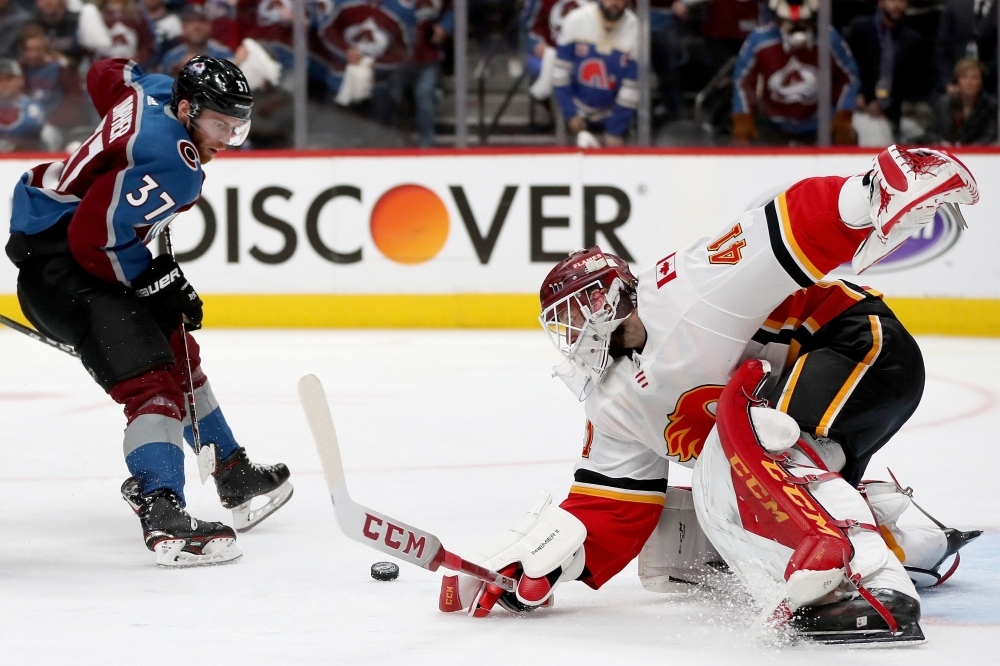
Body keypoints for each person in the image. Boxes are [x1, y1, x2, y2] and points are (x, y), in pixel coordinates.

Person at [439, 145, 981, 644]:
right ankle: (910, 540)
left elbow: (778, 230)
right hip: (793, 402)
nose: (571, 333)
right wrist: (550, 563)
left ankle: (873, 589)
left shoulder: (686, 290)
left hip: (857, 345)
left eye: (578, 314)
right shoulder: (608, 400)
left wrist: (868, 194)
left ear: (611, 303)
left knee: (758, 446)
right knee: (677, 538)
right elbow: (614, 504)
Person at [5, 56, 294, 567]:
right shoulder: (173, 162)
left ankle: (230, 469)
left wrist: (128, 69)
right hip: (65, 270)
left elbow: (103, 75)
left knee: (178, 346)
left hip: (56, 237)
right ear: (186, 109)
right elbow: (94, 242)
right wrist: (157, 283)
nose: (227, 138)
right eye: (218, 124)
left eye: (236, 125)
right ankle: (162, 511)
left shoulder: (152, 90)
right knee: (152, 382)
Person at [732, 0, 859, 145]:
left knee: (848, 139)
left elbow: (849, 76)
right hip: (772, 123)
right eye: (789, 24)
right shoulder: (760, 39)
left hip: (819, 124)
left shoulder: (829, 38)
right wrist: (742, 118)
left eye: (803, 23)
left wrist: (844, 116)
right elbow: (742, 80)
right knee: (751, 144)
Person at [844, 0, 933, 144]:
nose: (897, 6)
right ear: (880, 2)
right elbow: (844, 66)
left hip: (894, 110)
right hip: (859, 107)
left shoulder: (912, 39)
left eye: (902, 1)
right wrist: (856, 95)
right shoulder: (860, 29)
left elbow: (918, 82)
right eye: (893, 0)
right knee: (875, 136)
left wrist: (893, 104)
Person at [552, 0, 639, 147]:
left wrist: (615, 129)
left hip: (613, 112)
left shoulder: (636, 28)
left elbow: (632, 86)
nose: (615, 3)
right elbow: (560, 73)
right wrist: (570, 113)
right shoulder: (576, 20)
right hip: (576, 109)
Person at [932, 58, 998, 144]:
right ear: (957, 81)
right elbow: (931, 133)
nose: (969, 82)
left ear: (982, 82)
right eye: (964, 77)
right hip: (947, 152)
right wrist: (942, 142)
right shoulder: (944, 103)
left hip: (979, 154)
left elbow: (990, 135)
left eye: (974, 77)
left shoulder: (991, 105)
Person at [0, 58, 46, 152]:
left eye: (9, 78)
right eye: (0, 79)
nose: (4, 84)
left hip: (25, 159)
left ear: (20, 80)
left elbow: (30, 128)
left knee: (49, 133)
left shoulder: (32, 107)